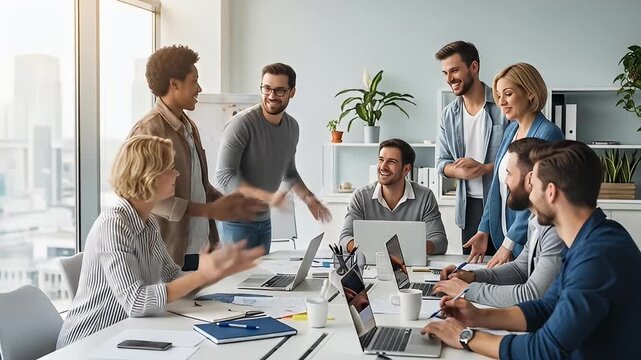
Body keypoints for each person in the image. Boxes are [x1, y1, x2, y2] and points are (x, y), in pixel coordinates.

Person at [422, 140, 641, 359]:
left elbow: (546, 350)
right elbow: (547, 307)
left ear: (551, 192)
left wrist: (467, 337)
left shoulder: (598, 256)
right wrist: (478, 316)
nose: (530, 192)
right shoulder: (591, 239)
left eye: (533, 184)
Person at [56, 135, 264, 348]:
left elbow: (172, 277)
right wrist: (204, 274)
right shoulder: (113, 226)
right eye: (170, 168)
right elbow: (136, 302)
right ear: (149, 176)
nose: (177, 173)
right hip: (88, 342)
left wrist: (217, 270)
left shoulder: (148, 223)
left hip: (126, 334)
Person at [129, 45, 266, 271]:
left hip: (200, 249)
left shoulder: (188, 125)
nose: (200, 88)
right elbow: (145, 198)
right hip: (169, 256)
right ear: (174, 84)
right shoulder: (148, 132)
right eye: (194, 81)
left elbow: (198, 186)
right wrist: (209, 210)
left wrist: (229, 203)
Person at [433, 138, 565, 307]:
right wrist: (472, 276)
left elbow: (531, 294)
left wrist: (467, 290)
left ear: (530, 179)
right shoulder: (536, 220)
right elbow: (520, 269)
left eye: (509, 173)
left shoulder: (555, 230)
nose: (505, 181)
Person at [215, 63, 331, 252]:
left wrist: (309, 198)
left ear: (292, 92)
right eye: (266, 88)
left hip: (263, 220)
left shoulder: (292, 127)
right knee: (237, 280)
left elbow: (289, 172)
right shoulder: (241, 125)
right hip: (235, 221)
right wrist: (267, 196)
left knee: (261, 280)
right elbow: (224, 177)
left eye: (279, 90)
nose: (271, 96)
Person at [465, 63, 564, 267]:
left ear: (530, 92)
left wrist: (509, 243)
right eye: (499, 95)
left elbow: (538, 197)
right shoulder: (511, 131)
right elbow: (496, 186)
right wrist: (484, 230)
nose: (501, 102)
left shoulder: (548, 134)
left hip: (528, 240)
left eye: (508, 94)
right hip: (506, 235)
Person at [435, 41, 507, 255]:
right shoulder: (448, 114)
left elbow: (520, 159)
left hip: (503, 204)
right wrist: (458, 171)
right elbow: (440, 162)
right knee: (473, 274)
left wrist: (484, 169)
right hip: (468, 208)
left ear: (473, 67)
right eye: (445, 73)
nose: (449, 79)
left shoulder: (502, 106)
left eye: (455, 70)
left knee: (505, 272)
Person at [340, 138, 448, 255]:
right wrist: (369, 249)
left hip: (411, 266)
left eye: (391, 162)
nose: (383, 167)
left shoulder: (425, 196)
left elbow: (440, 241)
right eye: (381, 160)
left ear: (406, 169)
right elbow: (345, 238)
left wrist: (413, 247)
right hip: (370, 265)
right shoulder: (361, 196)